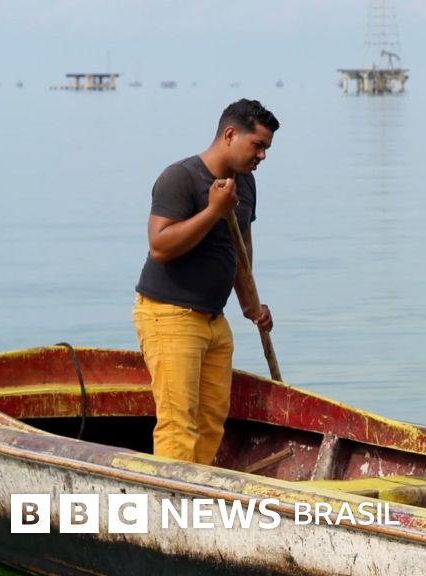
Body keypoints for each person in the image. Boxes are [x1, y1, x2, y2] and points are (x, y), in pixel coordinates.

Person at [132, 99, 279, 465]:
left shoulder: (245, 184)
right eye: (257, 145)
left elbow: (240, 246)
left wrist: (250, 305)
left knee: (212, 421)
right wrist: (214, 210)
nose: (262, 155)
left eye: (266, 147)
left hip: (214, 320)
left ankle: (194, 490)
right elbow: (159, 246)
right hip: (170, 316)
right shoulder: (181, 178)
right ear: (230, 134)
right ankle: (170, 498)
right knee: (178, 424)